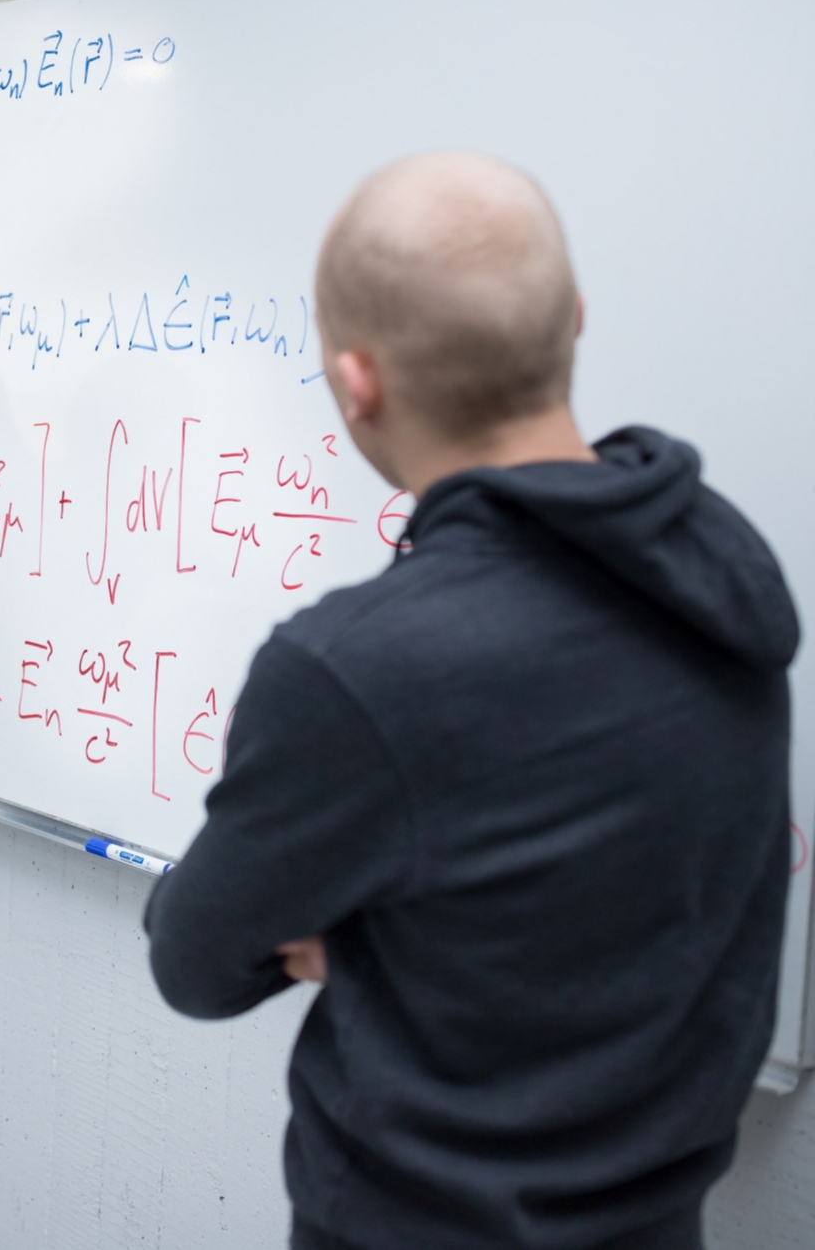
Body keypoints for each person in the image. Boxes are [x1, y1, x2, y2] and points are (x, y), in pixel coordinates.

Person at [145, 153, 797, 1250]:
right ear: (573, 320)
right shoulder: (722, 568)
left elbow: (196, 957)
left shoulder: (356, 668)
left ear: (355, 383)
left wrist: (347, 938)